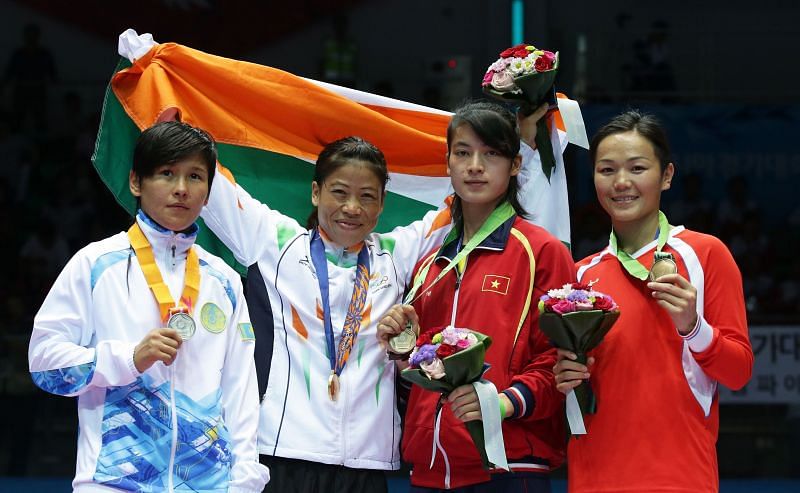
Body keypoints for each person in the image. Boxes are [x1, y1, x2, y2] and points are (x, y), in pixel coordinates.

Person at [199, 105, 553, 493]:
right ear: (316, 193)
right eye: (339, 193)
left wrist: (528, 149)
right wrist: (166, 122)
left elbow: (470, 200)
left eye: (367, 196)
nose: (352, 208)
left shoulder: (397, 255)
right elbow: (213, 189)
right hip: (284, 452)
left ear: (382, 204)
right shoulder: (274, 241)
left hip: (369, 463)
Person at [28, 121, 269, 492]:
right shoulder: (95, 265)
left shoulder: (223, 279)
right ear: (136, 182)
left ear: (208, 192)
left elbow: (241, 389)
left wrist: (244, 480)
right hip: (113, 481)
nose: (181, 189)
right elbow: (44, 362)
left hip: (209, 485)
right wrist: (127, 358)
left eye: (195, 177)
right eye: (167, 173)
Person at [377, 101, 576, 491]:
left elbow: (560, 362)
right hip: (431, 470)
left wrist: (500, 403)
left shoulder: (541, 252)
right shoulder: (430, 265)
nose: (475, 166)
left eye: (491, 154)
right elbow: (422, 377)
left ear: (516, 165)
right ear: (448, 162)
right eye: (463, 153)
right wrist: (402, 353)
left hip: (507, 466)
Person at [553, 110, 753, 492]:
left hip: (680, 478)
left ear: (667, 176)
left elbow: (738, 373)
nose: (621, 182)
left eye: (637, 168)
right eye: (606, 170)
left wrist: (694, 328)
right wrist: (562, 378)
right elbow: (568, 389)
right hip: (593, 478)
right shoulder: (578, 277)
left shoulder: (705, 254)